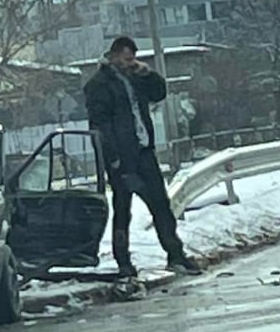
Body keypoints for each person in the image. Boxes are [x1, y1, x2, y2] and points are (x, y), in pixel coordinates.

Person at [84, 36, 200, 278]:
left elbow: (159, 93)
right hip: (121, 157)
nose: (130, 63)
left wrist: (148, 74)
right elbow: (100, 124)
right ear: (114, 56)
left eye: (133, 58)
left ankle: (175, 255)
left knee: (161, 205)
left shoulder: (135, 78)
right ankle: (123, 262)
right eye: (126, 58)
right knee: (123, 208)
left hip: (144, 151)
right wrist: (113, 158)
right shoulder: (99, 84)